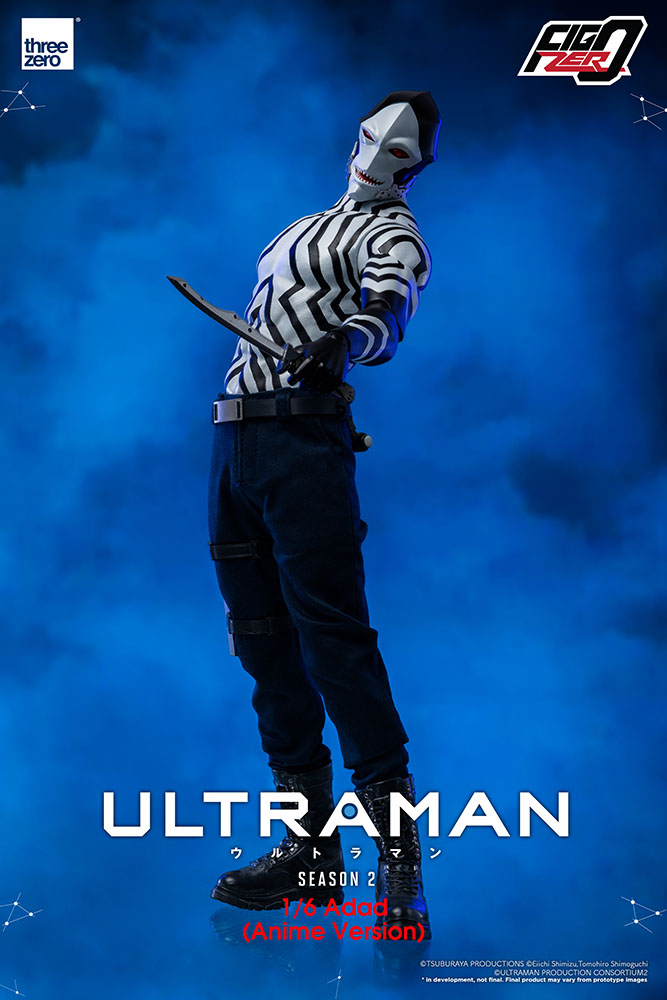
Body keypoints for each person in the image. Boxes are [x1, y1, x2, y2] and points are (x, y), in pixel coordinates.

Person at [208, 91, 441, 938]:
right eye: (373, 135)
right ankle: (309, 853)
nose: (379, 153)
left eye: (399, 148)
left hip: (304, 442)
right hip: (234, 440)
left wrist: (345, 340)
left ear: (417, 165)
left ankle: (398, 866)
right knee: (262, 642)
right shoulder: (295, 228)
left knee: (334, 642)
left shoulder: (393, 234)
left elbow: (390, 310)